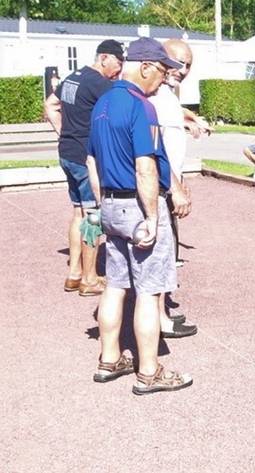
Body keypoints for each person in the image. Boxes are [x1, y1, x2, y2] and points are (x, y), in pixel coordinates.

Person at [86, 37, 193, 394]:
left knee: (116, 285)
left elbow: (91, 160)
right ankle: (149, 371)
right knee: (148, 292)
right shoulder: (141, 107)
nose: (164, 80)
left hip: (112, 205)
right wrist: (152, 217)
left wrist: (103, 204)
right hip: (138, 204)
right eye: (162, 71)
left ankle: (109, 359)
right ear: (145, 66)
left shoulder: (101, 102)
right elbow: (146, 167)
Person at [43, 39, 124, 296]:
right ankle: (89, 279)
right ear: (104, 58)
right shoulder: (99, 83)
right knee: (93, 214)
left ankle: (74, 273)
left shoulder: (71, 78)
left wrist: (63, 132)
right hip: (84, 158)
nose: (119, 69)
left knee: (78, 211)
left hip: (66, 152)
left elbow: (50, 105)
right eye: (118, 62)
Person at [146, 38, 200, 338]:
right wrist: (176, 185)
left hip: (170, 181)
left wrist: (191, 120)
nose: (183, 69)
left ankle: (163, 311)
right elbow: (158, 146)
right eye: (179, 62)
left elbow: (172, 132)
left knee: (168, 252)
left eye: (188, 64)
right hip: (162, 185)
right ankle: (161, 320)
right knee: (160, 253)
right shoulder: (155, 95)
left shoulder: (167, 93)